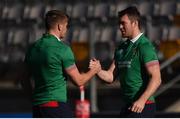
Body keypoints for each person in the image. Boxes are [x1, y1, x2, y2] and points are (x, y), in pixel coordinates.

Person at [21, 10, 100, 118]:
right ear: (60, 26)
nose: (67, 30)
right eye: (66, 26)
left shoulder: (33, 48)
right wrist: (94, 70)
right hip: (56, 106)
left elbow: (24, 79)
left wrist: (33, 98)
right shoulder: (62, 49)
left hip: (38, 108)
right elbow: (78, 81)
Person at [90, 6, 161, 118]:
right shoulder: (121, 48)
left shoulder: (145, 46)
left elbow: (157, 78)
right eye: (119, 23)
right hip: (128, 106)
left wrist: (142, 100)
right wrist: (98, 70)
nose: (120, 27)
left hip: (143, 106)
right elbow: (110, 76)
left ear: (135, 23)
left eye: (123, 23)